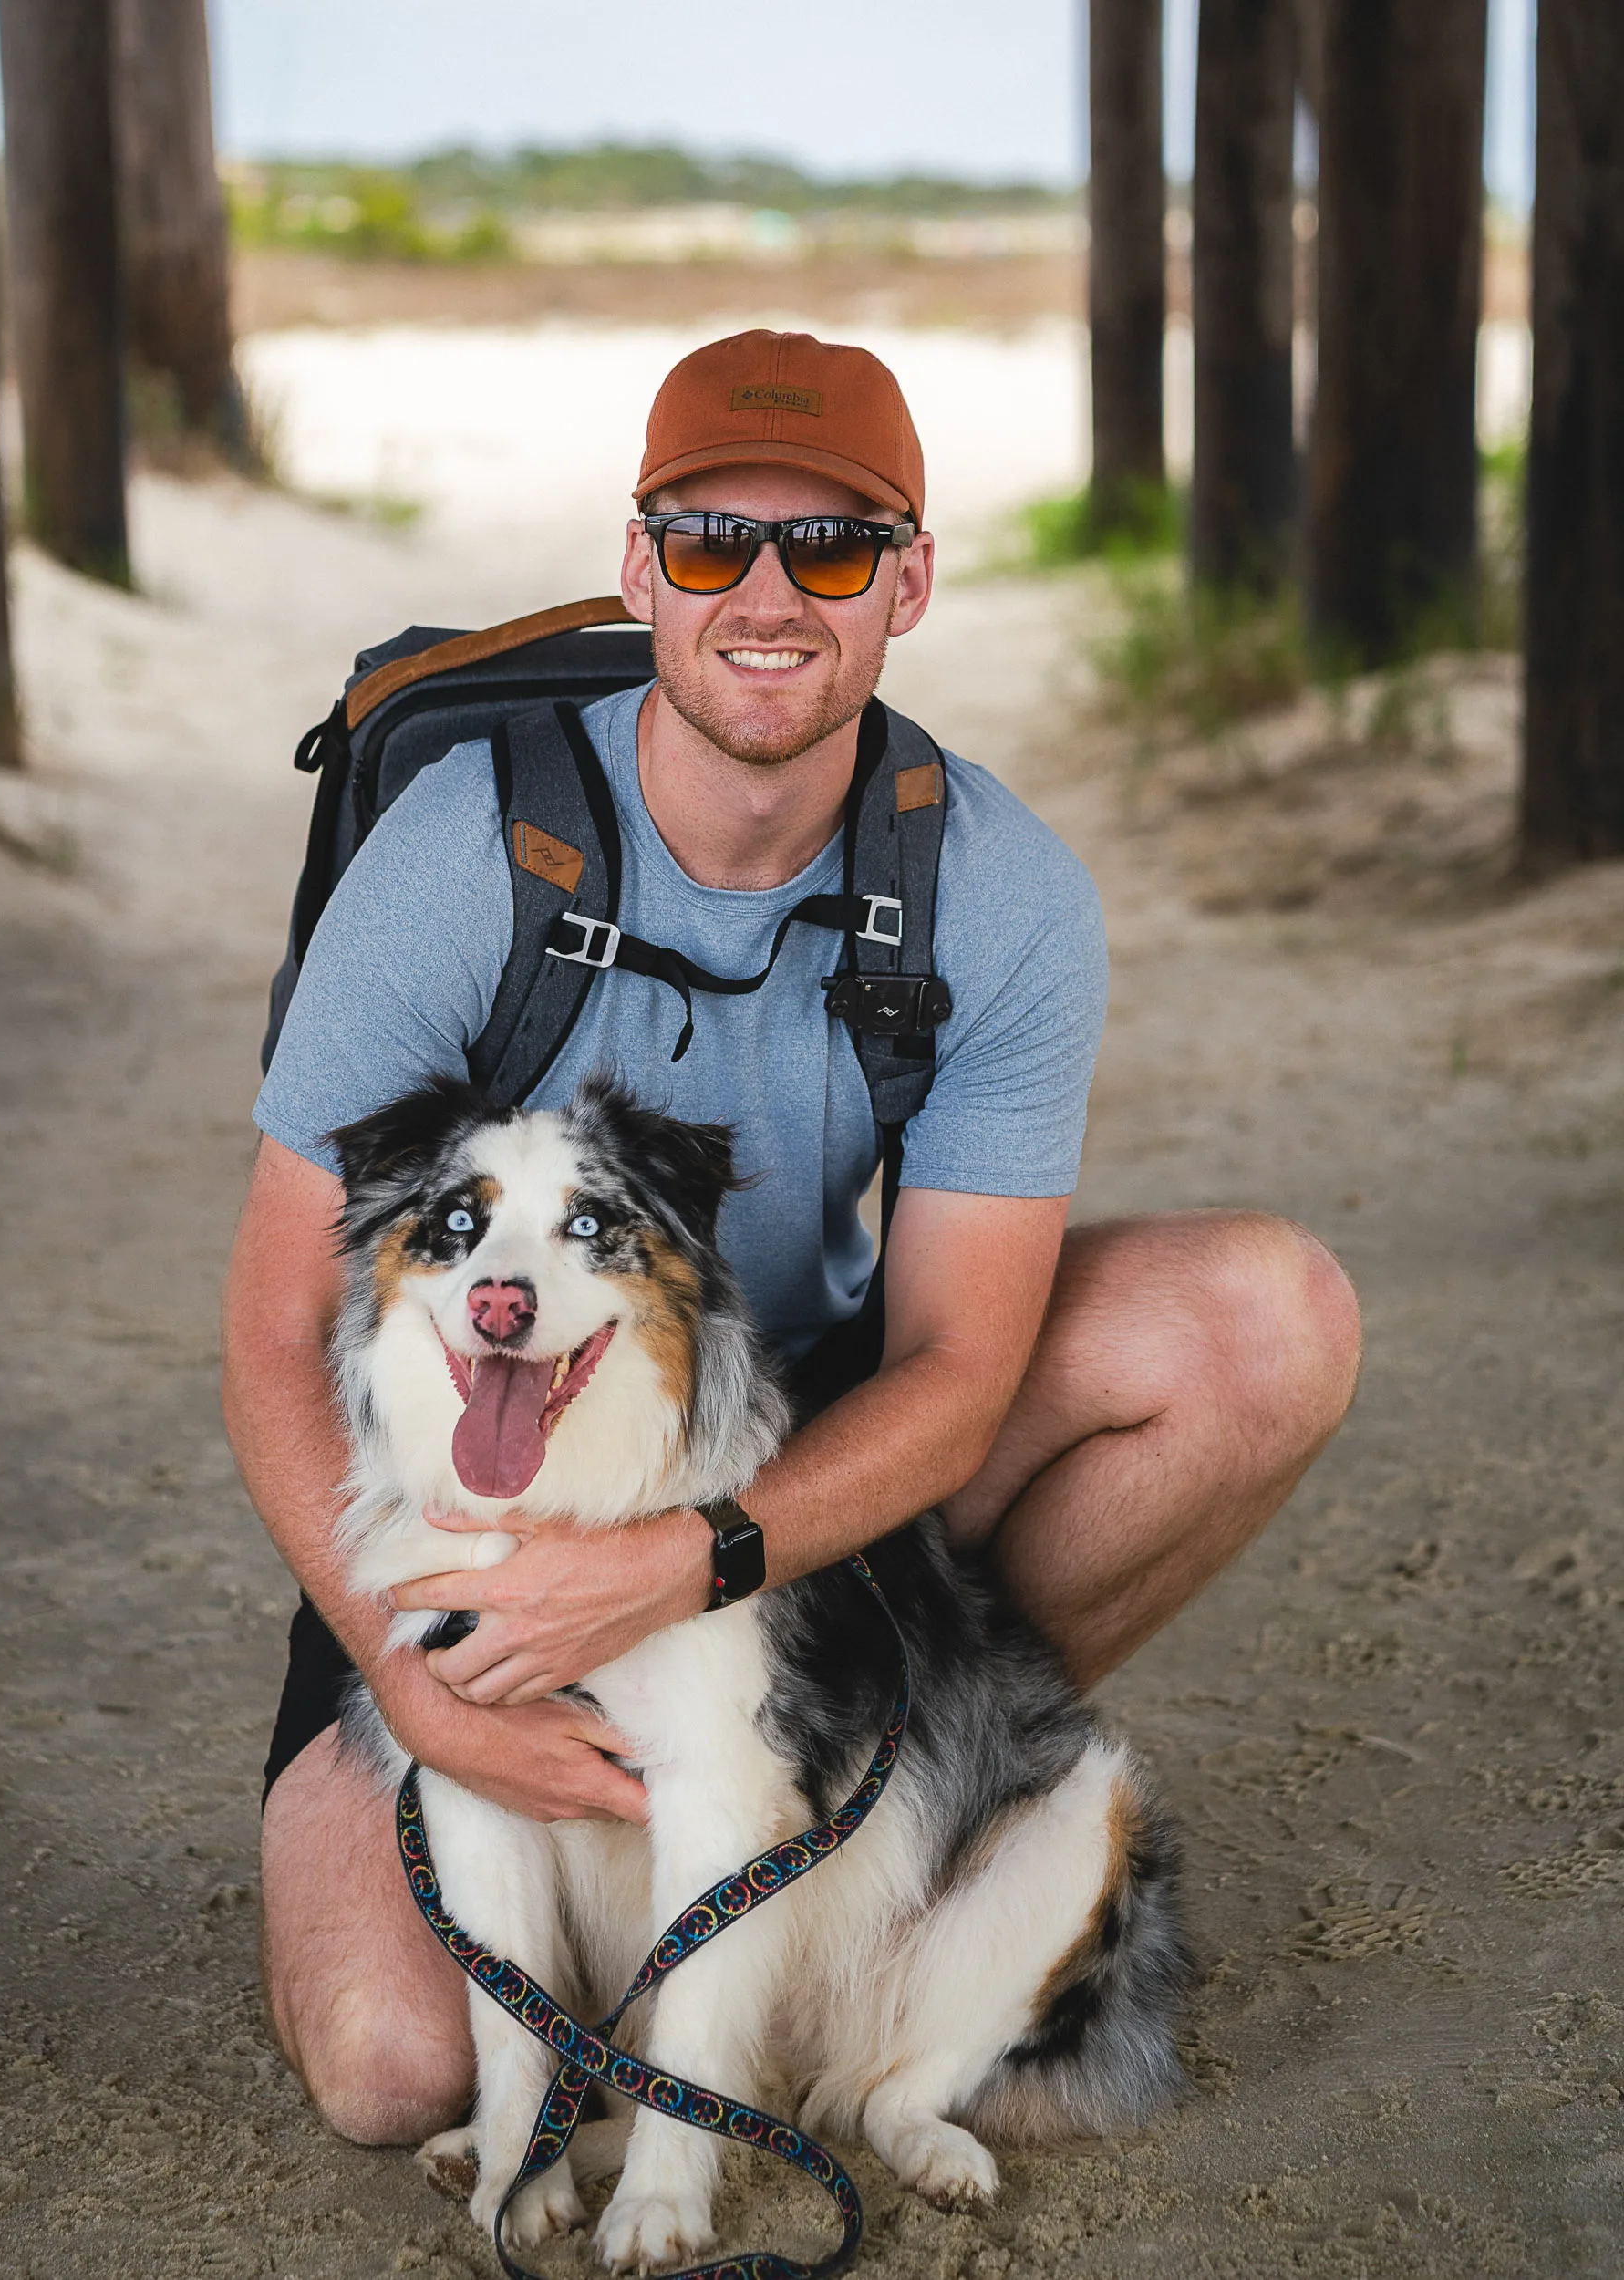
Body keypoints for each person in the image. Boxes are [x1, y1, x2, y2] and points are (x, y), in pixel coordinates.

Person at [221, 330, 1360, 2146]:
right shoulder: (461, 848)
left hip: (792, 1444)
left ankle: (858, 1808)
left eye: (828, 550)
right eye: (709, 544)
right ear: (636, 566)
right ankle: (637, 1870)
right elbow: (277, 1327)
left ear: (908, 578)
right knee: (391, 2066)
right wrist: (412, 1672)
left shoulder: (987, 884)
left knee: (1264, 1322)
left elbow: (961, 1365)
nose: (766, 596)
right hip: (484, 1493)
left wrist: (690, 1563)